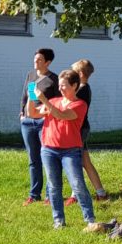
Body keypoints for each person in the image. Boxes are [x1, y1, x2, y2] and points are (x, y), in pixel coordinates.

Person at [27, 69, 97, 230]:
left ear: (74, 86)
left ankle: (90, 219)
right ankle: (59, 220)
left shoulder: (80, 105)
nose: (60, 89)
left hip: (70, 151)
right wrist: (32, 95)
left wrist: (43, 99)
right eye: (59, 85)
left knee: (77, 184)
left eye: (64, 85)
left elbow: (60, 115)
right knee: (54, 185)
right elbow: (32, 113)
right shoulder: (55, 100)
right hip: (49, 149)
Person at [19, 48, 60, 206]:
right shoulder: (32, 76)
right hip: (28, 122)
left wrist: (47, 114)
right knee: (33, 159)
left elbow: (56, 102)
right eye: (35, 59)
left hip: (44, 122)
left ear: (48, 62)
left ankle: (50, 195)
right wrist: (22, 113)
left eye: (39, 60)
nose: (35, 62)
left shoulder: (53, 80)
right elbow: (27, 95)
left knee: (47, 158)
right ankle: (34, 194)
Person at [66, 59, 108, 204]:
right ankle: (100, 192)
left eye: (73, 72)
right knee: (85, 161)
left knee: (76, 162)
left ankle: (76, 195)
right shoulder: (83, 88)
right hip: (81, 128)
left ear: (81, 73)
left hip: (79, 129)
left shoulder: (82, 90)